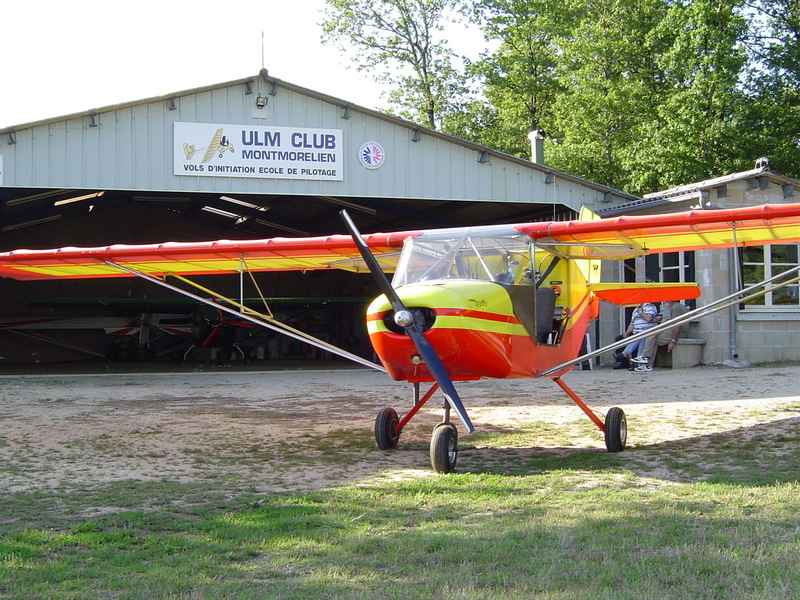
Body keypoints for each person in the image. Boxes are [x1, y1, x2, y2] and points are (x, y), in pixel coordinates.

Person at [634, 300, 689, 372]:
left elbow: (677, 326)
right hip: (670, 329)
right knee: (651, 336)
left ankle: (646, 360)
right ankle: (646, 363)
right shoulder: (672, 307)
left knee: (652, 339)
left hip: (678, 332)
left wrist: (673, 341)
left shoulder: (676, 307)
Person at [622, 302, 658, 369]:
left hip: (647, 331)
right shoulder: (636, 309)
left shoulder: (650, 307)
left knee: (641, 337)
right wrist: (627, 332)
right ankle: (638, 363)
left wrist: (640, 312)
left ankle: (625, 353)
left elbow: (648, 319)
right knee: (639, 337)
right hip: (636, 332)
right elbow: (632, 323)